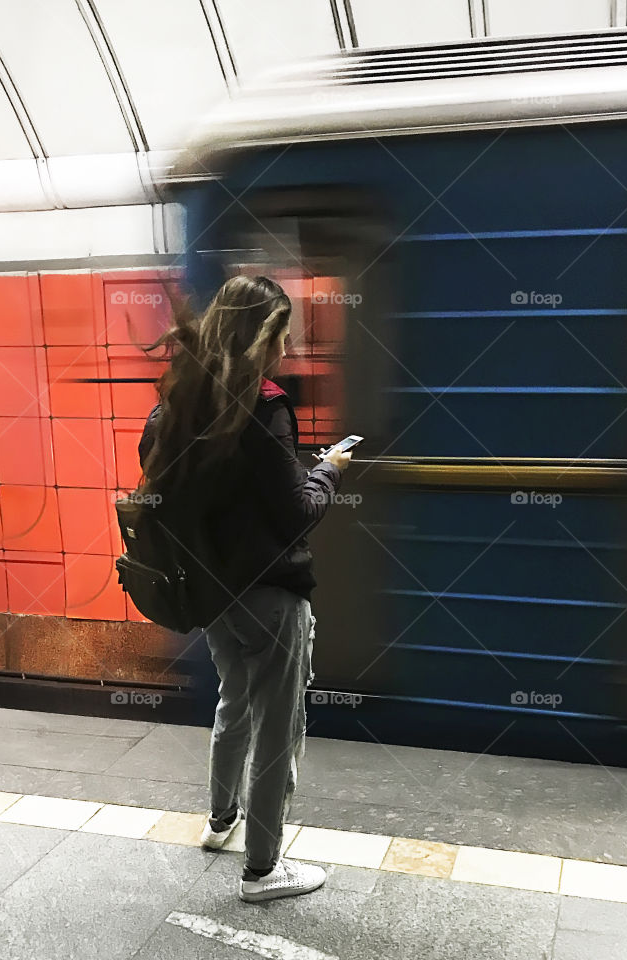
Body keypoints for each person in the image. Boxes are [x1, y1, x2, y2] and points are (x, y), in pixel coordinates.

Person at [136, 275, 351, 902]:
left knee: (233, 701)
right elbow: (294, 515)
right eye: (281, 335)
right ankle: (263, 870)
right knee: (278, 726)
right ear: (261, 338)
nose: (285, 349)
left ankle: (219, 820)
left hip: (212, 595)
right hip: (270, 596)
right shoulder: (265, 405)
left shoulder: (175, 404)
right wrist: (329, 472)